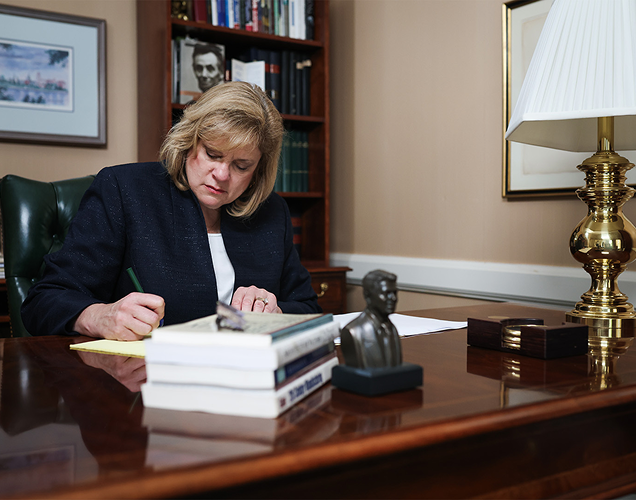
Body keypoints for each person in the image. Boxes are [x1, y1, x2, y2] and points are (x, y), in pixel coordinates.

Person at [21, 81, 320, 340]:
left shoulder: (272, 213)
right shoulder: (125, 191)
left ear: (258, 170)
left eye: (241, 166)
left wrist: (276, 311)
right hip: (137, 383)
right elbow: (43, 301)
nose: (222, 174)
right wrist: (100, 315)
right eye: (212, 154)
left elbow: (309, 308)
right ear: (189, 141)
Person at [339, 270, 402, 369]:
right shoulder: (353, 332)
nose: (393, 298)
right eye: (386, 293)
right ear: (368, 296)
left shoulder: (391, 329)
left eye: (394, 293)